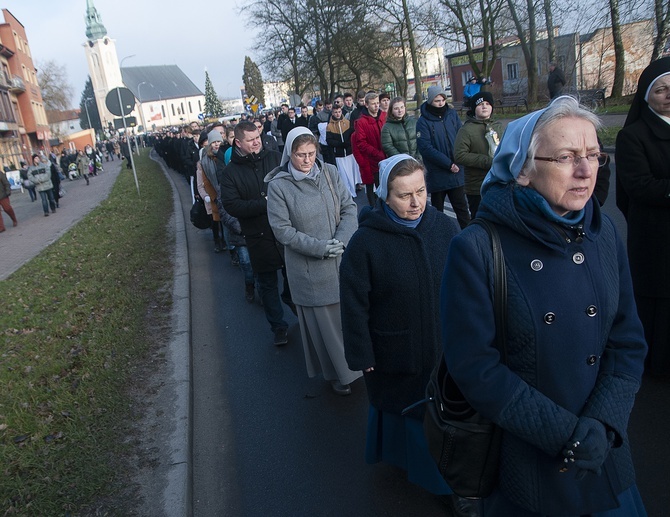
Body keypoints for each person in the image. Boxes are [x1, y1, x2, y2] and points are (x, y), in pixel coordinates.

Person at [441, 96, 648, 516]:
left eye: (593, 155)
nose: (586, 170)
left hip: (601, 453)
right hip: (531, 460)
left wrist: (604, 423)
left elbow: (627, 341)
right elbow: (476, 368)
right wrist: (565, 435)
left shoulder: (602, 231)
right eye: (567, 157)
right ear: (523, 170)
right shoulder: (477, 248)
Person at [340, 155, 460, 501]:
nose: (415, 202)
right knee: (405, 414)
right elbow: (354, 303)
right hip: (395, 350)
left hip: (444, 347)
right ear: (384, 196)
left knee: (446, 415)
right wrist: (361, 351)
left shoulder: (445, 227)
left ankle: (447, 484)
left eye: (421, 191)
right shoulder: (365, 243)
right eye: (403, 194)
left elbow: (467, 284)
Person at [267, 127, 361, 395]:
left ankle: (356, 366)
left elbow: (349, 208)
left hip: (341, 261)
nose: (307, 160)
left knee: (348, 321)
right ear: (289, 154)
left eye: (311, 153)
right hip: (310, 271)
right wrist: (320, 248)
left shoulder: (330, 173)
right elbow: (282, 230)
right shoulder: (278, 186)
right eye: (300, 155)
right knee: (326, 329)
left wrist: (341, 240)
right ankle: (336, 375)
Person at [616, 56, 670, 377]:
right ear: (646, 96)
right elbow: (638, 187)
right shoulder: (633, 136)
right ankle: (655, 365)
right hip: (655, 233)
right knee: (659, 301)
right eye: (661, 90)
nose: (668, 95)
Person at [219, 121, 294, 346]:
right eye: (251, 140)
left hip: (285, 231)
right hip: (257, 236)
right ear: (238, 142)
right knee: (268, 284)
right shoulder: (230, 172)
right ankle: (278, 328)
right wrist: (264, 204)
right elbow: (232, 205)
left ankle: (300, 309)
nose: (256, 142)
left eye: (258, 137)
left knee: (294, 278)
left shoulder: (274, 158)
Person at [416, 85, 470, 229]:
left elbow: (461, 135)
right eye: (437, 101)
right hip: (438, 172)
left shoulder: (451, 115)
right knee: (437, 213)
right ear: (430, 101)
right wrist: (448, 164)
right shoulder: (423, 121)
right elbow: (426, 148)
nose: (440, 103)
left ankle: (470, 240)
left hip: (456, 170)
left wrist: (458, 160)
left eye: (442, 100)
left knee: (462, 210)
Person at [454, 91, 503, 218]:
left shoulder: (498, 126)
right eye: (480, 104)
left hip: (499, 183)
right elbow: (459, 155)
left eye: (487, 103)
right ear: (474, 108)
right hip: (477, 186)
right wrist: (486, 161)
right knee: (480, 220)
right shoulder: (466, 130)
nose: (484, 106)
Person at [351, 92, 387, 206]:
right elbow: (361, 143)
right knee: (372, 188)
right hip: (371, 160)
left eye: (377, 103)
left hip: (386, 158)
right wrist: (377, 153)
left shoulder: (384, 116)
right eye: (373, 104)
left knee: (387, 188)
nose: (376, 106)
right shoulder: (361, 122)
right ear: (366, 105)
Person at [326, 105, 360, 198]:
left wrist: (348, 144)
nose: (337, 114)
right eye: (335, 112)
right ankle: (348, 194)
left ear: (341, 112)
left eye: (339, 112)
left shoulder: (348, 123)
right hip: (339, 155)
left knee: (351, 174)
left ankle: (353, 191)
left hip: (349, 153)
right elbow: (329, 140)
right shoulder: (329, 126)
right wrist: (340, 144)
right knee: (343, 176)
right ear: (332, 113)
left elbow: (353, 135)